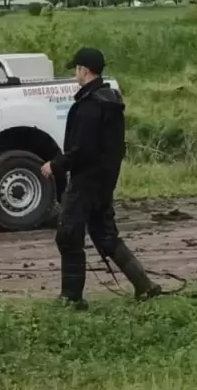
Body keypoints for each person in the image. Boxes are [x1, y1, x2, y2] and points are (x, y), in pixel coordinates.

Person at [41, 47, 161, 309]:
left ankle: (71, 298)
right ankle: (145, 286)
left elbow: (82, 149)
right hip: (105, 180)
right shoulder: (110, 101)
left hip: (86, 181)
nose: (75, 74)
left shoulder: (90, 106)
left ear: (84, 70)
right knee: (105, 235)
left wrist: (56, 165)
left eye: (76, 69)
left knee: (68, 235)